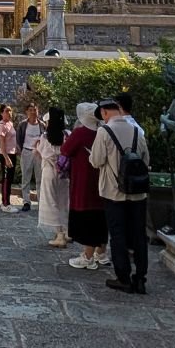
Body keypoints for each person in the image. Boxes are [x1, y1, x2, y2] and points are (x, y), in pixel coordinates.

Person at [90, 97, 151, 295]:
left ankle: (123, 277)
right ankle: (140, 278)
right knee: (139, 235)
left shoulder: (104, 131)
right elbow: (146, 159)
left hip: (114, 192)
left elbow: (97, 160)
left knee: (118, 235)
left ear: (105, 113)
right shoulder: (136, 130)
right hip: (137, 193)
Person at [61, 102, 109, 270]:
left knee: (88, 216)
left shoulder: (80, 133)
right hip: (103, 181)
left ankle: (87, 256)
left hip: (83, 180)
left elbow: (65, 150)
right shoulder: (104, 132)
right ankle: (101, 252)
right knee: (101, 215)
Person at [36, 106, 70, 247]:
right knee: (64, 201)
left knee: (51, 202)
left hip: (50, 171)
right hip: (64, 172)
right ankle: (67, 230)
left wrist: (36, 147)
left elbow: (42, 154)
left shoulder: (45, 137)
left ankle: (59, 234)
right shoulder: (67, 134)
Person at [16, 103, 44, 212]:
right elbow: (19, 138)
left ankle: (41, 202)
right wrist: (20, 149)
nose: (33, 112)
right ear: (27, 112)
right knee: (26, 178)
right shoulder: (23, 125)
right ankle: (26, 202)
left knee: (40, 178)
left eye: (35, 110)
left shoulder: (42, 125)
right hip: (26, 151)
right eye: (31, 110)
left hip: (39, 153)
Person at [0, 104, 19, 214]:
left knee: (9, 179)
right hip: (6, 155)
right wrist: (6, 158)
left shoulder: (10, 124)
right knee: (6, 180)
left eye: (10, 111)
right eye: (6, 111)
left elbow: (13, 139)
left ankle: (7, 202)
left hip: (12, 153)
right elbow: (1, 143)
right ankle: (5, 204)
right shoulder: (2, 125)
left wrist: (18, 149)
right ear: (1, 113)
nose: (9, 113)